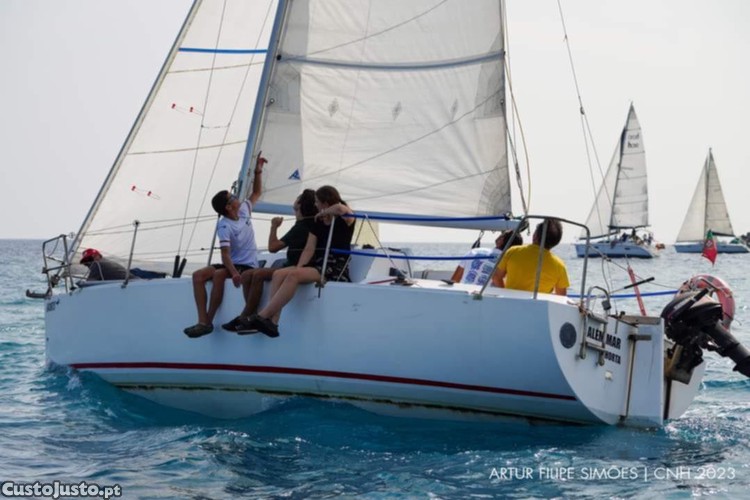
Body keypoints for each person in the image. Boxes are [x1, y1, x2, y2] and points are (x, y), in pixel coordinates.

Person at [237, 185, 355, 337]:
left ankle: (261, 316)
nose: (315, 205)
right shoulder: (317, 222)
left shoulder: (346, 219)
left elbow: (340, 208)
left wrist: (324, 213)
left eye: (317, 202)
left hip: (335, 267)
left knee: (293, 276)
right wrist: (300, 267)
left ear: (325, 203)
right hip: (318, 263)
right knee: (279, 274)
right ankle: (273, 322)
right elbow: (309, 249)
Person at [183, 155, 265, 338]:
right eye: (233, 197)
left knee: (219, 274)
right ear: (228, 207)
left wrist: (258, 171)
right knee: (198, 276)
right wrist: (234, 273)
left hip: (248, 265)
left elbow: (257, 192)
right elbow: (225, 255)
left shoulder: (244, 209)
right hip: (234, 264)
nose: (237, 197)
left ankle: (207, 322)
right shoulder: (224, 226)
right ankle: (203, 321)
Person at [221, 189, 318, 331]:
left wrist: (274, 227)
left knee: (258, 274)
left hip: (294, 266)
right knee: (247, 274)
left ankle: (246, 317)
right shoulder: (306, 223)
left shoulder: (302, 226)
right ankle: (249, 315)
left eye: (298, 198)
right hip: (289, 265)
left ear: (300, 204)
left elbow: (273, 247)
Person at [496, 219, 570, 296]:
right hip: (539, 303)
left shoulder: (513, 251)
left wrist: (505, 293)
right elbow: (561, 296)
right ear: (556, 242)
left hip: (511, 301)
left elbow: (496, 277)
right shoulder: (559, 265)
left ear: (535, 236)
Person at [450, 230, 522, 285]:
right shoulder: (507, 260)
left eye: (502, 235)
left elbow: (455, 279)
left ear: (500, 240)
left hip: (464, 293)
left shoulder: (474, 251)